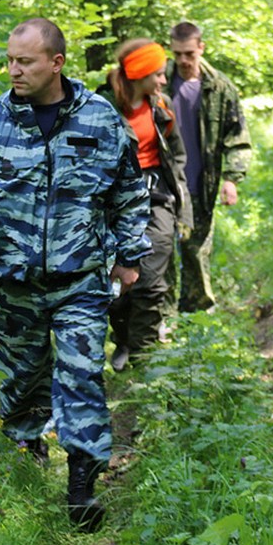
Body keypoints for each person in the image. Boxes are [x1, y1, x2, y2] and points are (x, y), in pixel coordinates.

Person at [0, 17, 151, 532]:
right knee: (23, 386)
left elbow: (130, 193)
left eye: (25, 61)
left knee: (80, 379)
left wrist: (129, 255)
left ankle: (82, 488)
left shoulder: (100, 121)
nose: (13, 70)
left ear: (56, 63)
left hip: (80, 283)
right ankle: (26, 462)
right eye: (9, 60)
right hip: (13, 287)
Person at [97, 39, 193, 371]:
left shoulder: (160, 106)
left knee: (152, 281)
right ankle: (123, 339)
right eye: (157, 73)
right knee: (118, 282)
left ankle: (145, 354)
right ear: (138, 75)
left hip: (157, 200)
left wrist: (178, 196)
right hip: (112, 206)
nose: (164, 80)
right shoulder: (100, 108)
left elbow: (177, 154)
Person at [163, 21, 252, 313]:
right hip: (163, 183)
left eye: (189, 53)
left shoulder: (220, 87)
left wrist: (232, 179)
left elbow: (237, 136)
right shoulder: (158, 80)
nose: (184, 61)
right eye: (178, 54)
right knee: (160, 251)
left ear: (201, 48)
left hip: (201, 182)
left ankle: (197, 317)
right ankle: (160, 318)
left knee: (196, 249)